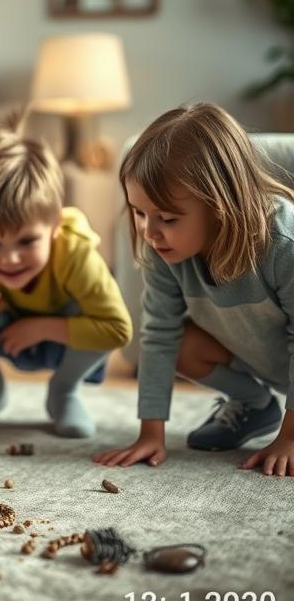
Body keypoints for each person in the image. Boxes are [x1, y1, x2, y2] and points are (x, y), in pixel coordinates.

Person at [95, 103, 293, 476]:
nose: (149, 232)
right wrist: (150, 434)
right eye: (139, 212)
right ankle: (255, 405)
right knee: (178, 345)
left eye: (168, 218)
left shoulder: (284, 244)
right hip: (267, 358)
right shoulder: (162, 247)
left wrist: (290, 439)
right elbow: (159, 336)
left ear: (222, 206)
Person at [0, 123, 132, 438]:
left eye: (26, 241)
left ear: (55, 226)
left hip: (60, 341)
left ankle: (64, 391)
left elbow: (118, 329)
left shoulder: (76, 253)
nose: (10, 259)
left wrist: (43, 328)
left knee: (94, 318)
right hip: (1, 333)